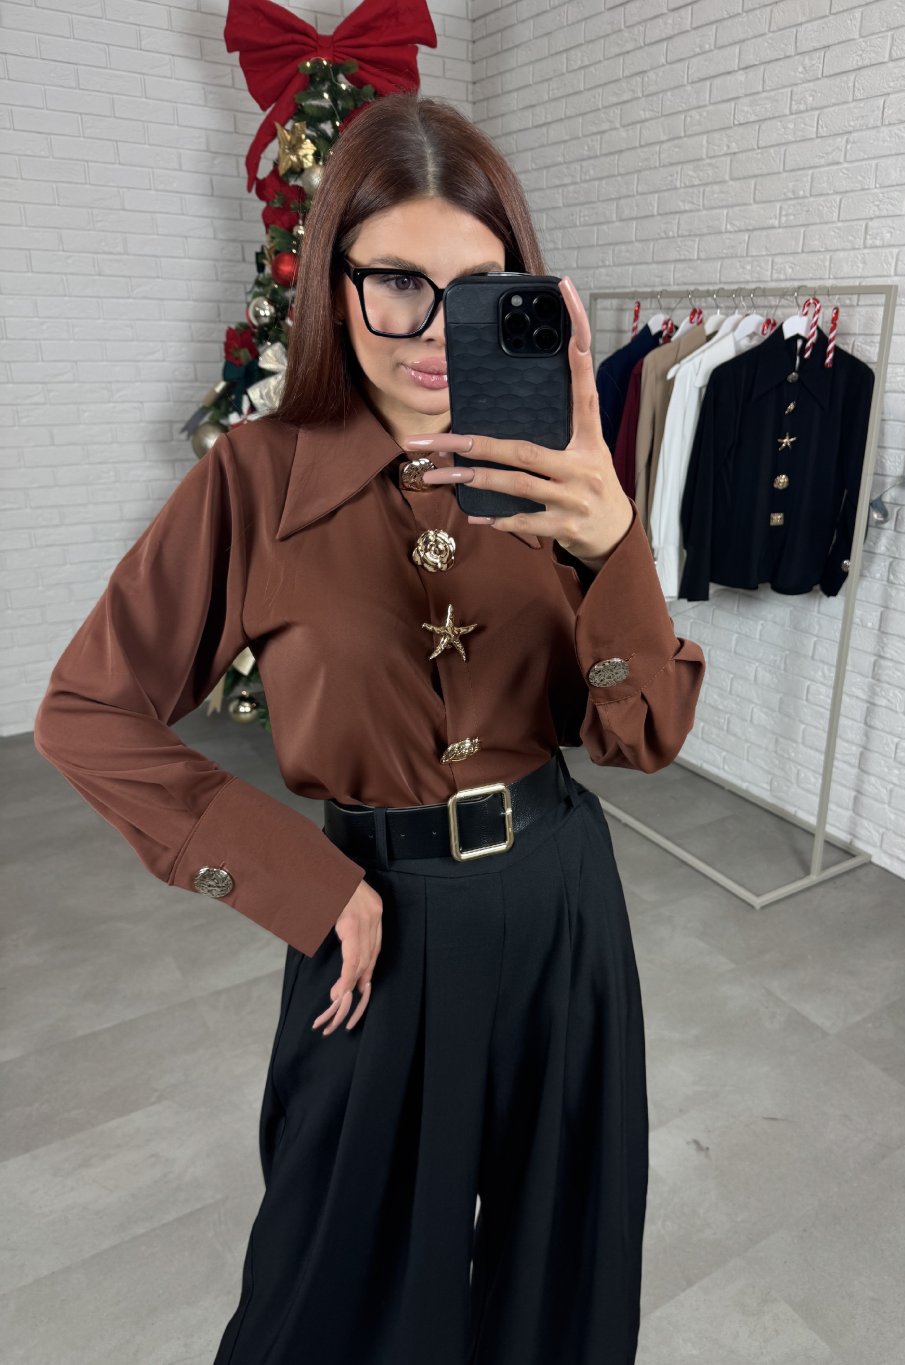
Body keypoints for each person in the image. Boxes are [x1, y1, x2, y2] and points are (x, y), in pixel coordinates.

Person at [33, 93, 706, 1365]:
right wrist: (301, 880)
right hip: (372, 928)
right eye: (397, 281)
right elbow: (85, 710)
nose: (436, 329)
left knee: (558, 1275)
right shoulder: (254, 480)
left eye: (476, 288)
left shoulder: (561, 473)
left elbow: (642, 735)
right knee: (330, 1294)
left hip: (562, 911)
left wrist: (613, 540)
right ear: (334, 283)